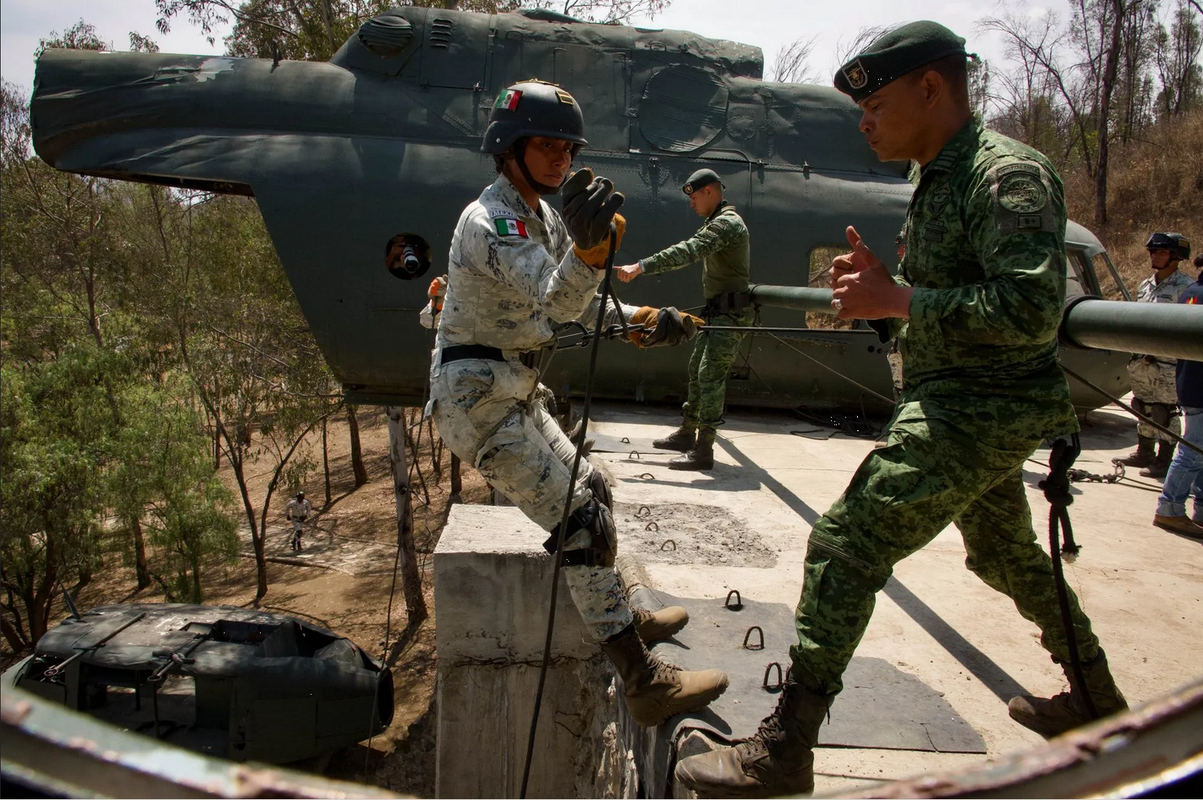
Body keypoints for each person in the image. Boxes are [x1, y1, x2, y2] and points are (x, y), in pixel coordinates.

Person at [675, 22, 1127, 797]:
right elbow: (944, 305)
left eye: (875, 105)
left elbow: (1030, 309)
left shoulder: (1004, 175)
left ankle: (784, 749)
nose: (863, 123)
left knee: (844, 544)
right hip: (957, 398)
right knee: (1004, 556)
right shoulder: (938, 178)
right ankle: (1095, 698)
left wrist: (901, 299)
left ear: (930, 88)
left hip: (978, 407)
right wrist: (881, 301)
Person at [428, 80, 728, 727]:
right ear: (509, 148)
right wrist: (590, 258)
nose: (561, 158)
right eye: (546, 146)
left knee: (593, 488)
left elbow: (577, 304)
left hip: (514, 389)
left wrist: (642, 319)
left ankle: (620, 614)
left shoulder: (541, 216)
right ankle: (643, 681)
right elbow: (556, 298)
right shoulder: (492, 222)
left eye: (568, 148)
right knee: (582, 523)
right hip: (478, 402)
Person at [615, 168, 752, 471]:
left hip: (731, 315)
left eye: (694, 197)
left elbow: (689, 251)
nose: (691, 204)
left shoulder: (727, 224)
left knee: (710, 377)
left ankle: (703, 450)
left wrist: (641, 266)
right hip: (717, 313)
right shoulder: (716, 222)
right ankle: (687, 434)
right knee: (697, 372)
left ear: (710, 191)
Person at [1116, 233, 1194, 479]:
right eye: (1152, 252)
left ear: (1176, 256)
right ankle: (1145, 452)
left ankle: (1164, 459)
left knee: (1164, 410)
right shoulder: (1145, 285)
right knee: (1142, 406)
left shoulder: (1186, 287)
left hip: (1167, 363)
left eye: (1160, 252)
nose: (1154, 256)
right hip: (1142, 361)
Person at [1153, 260, 1203, 537]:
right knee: (1193, 451)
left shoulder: (1190, 292)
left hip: (1190, 383)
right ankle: (1169, 509)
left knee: (1199, 452)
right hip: (1200, 387)